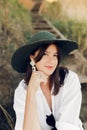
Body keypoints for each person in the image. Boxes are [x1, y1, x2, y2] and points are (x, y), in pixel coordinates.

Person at [11, 31, 84, 130]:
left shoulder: (70, 80)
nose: (51, 61)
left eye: (55, 55)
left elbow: (68, 126)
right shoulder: (22, 91)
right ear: (32, 57)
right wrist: (31, 92)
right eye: (45, 54)